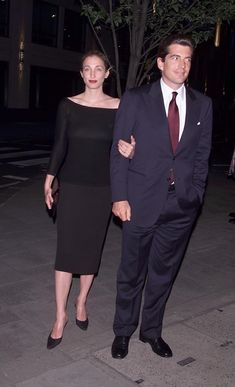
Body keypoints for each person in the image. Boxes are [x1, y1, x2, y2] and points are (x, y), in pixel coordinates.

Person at [110, 34, 212, 359]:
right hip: (139, 201)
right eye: (176, 58)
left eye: (188, 59)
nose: (182, 65)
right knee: (131, 273)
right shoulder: (136, 98)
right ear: (160, 62)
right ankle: (123, 332)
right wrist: (120, 197)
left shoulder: (202, 104)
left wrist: (195, 196)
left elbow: (201, 157)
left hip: (181, 206)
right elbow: (118, 151)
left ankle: (151, 331)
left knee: (163, 274)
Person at [44, 50, 135, 350]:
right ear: (81, 73)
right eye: (87, 68)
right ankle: (60, 317)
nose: (93, 73)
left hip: (102, 189)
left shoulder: (119, 107)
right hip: (71, 186)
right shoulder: (68, 106)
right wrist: (49, 178)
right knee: (65, 252)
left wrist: (131, 151)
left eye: (98, 68)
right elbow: (59, 145)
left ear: (107, 73)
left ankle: (81, 301)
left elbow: (128, 146)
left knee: (90, 250)